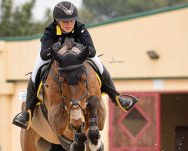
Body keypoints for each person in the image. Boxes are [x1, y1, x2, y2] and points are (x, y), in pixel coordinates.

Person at [12, 1, 137, 129]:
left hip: (77, 55)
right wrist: (53, 49)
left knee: (99, 64)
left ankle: (116, 97)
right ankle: (27, 112)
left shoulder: (80, 27)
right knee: (37, 70)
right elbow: (44, 54)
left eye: (72, 20)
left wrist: (81, 47)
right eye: (65, 21)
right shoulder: (50, 30)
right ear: (57, 21)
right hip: (54, 57)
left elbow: (91, 50)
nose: (69, 24)